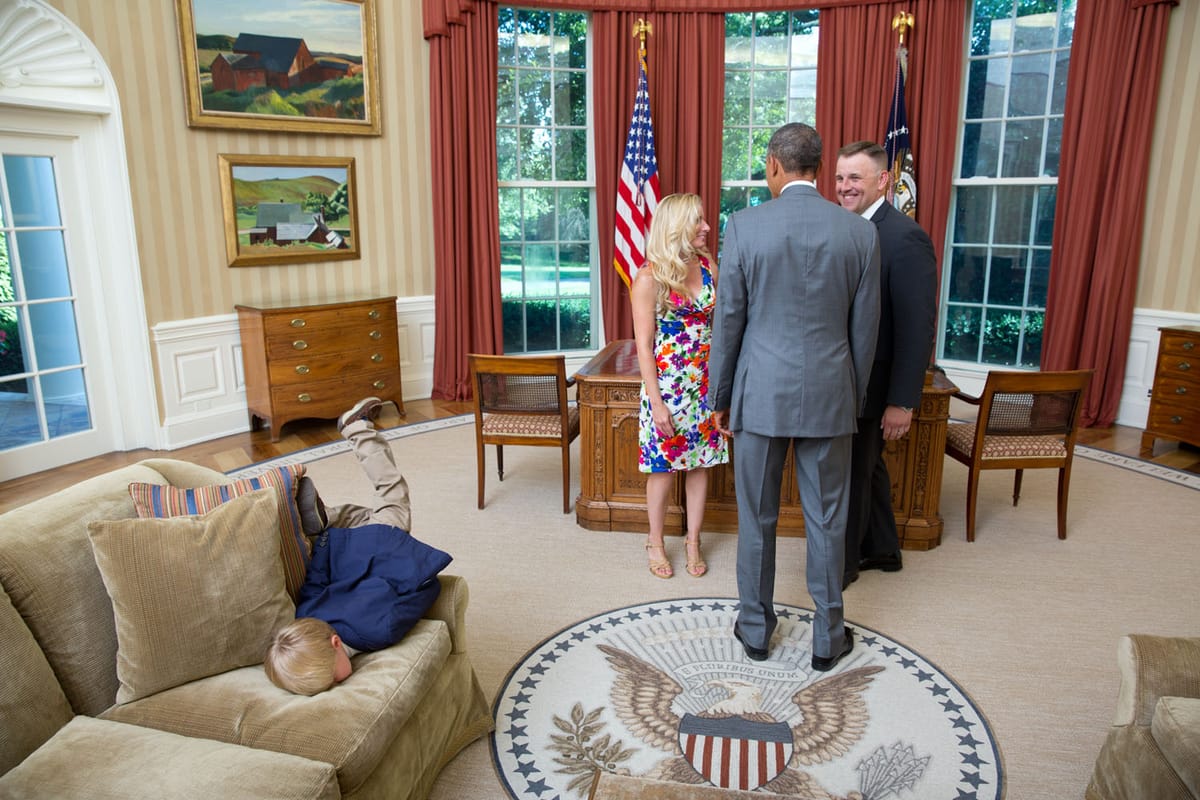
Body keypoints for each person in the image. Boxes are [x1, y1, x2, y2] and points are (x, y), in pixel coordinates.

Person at [709, 123, 880, 672]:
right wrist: (850, 397)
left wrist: (721, 394)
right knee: (827, 519)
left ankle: (755, 630)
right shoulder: (857, 232)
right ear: (817, 167)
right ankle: (828, 637)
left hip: (759, 394)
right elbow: (865, 330)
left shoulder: (744, 226)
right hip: (831, 395)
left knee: (756, 515)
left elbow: (729, 319)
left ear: (775, 166)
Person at [265, 397, 452, 695]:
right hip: (340, 548)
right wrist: (325, 544)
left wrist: (425, 575)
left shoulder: (380, 631)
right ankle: (323, 523)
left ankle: (357, 429)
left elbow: (426, 591)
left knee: (390, 489)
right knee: (364, 516)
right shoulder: (306, 616)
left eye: (333, 680)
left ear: (336, 644)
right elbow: (314, 581)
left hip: (384, 542)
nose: (335, 684)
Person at [834, 141, 937, 589]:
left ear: (883, 181)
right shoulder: (840, 228)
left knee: (853, 471)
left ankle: (843, 566)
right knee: (868, 466)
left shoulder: (904, 236)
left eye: (854, 178)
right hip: (844, 376)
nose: (844, 187)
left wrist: (902, 401)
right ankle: (881, 549)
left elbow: (918, 327)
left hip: (876, 382)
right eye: (839, 178)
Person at [632, 193, 730, 580]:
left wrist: (724, 388)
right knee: (662, 469)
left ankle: (693, 540)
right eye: (698, 221)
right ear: (677, 228)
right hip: (667, 389)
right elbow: (643, 346)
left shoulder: (709, 268)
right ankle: (655, 541)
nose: (707, 227)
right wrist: (656, 404)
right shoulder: (648, 277)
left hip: (704, 386)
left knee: (700, 465)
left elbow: (720, 329)